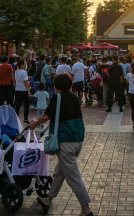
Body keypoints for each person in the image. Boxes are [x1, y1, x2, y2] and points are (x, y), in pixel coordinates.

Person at [27, 73, 94, 216]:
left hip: (65, 142)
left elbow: (45, 116)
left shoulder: (57, 99)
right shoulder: (75, 98)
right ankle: (48, 200)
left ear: (57, 86)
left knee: (73, 177)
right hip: (77, 140)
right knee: (59, 172)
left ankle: (86, 209)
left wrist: (35, 123)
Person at [13, 59, 32, 123]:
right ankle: (25, 119)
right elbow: (25, 82)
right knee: (26, 105)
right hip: (24, 90)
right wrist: (28, 91)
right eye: (25, 64)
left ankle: (16, 119)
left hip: (17, 90)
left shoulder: (16, 71)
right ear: (22, 65)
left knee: (17, 105)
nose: (25, 65)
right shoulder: (24, 72)